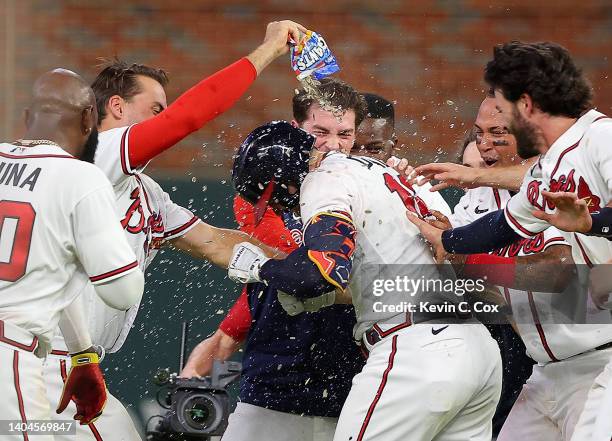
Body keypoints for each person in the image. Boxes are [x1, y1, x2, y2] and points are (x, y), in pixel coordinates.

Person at [42, 20, 306, 441]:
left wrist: (304, 266)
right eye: (155, 108)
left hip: (71, 364)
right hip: (45, 360)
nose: (162, 118)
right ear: (116, 107)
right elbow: (189, 117)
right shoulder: (95, 153)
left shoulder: (144, 190)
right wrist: (270, 49)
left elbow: (217, 243)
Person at [228, 120, 502, 441]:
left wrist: (262, 268)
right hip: (477, 347)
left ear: (283, 181)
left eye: (273, 198)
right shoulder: (382, 169)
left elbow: (321, 272)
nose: (277, 207)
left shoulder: (323, 180)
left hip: (416, 350)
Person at [408, 41, 612, 441]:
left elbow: (559, 271)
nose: (495, 122)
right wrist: (446, 238)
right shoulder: (549, 163)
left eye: (502, 106)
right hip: (549, 371)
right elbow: (506, 225)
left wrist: (592, 223)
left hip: (603, 357)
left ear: (527, 104)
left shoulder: (601, 138)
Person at [183, 85, 386, 441]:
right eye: (319, 132)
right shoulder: (267, 190)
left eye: (345, 134)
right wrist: (226, 334)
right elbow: (292, 266)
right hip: (276, 376)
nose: (334, 146)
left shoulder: (371, 189)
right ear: (295, 130)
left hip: (353, 380)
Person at [0, 69, 144, 434]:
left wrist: (81, 353)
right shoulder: (80, 177)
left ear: (28, 117)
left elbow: (46, 271)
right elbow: (122, 291)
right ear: (87, 119)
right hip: (9, 356)